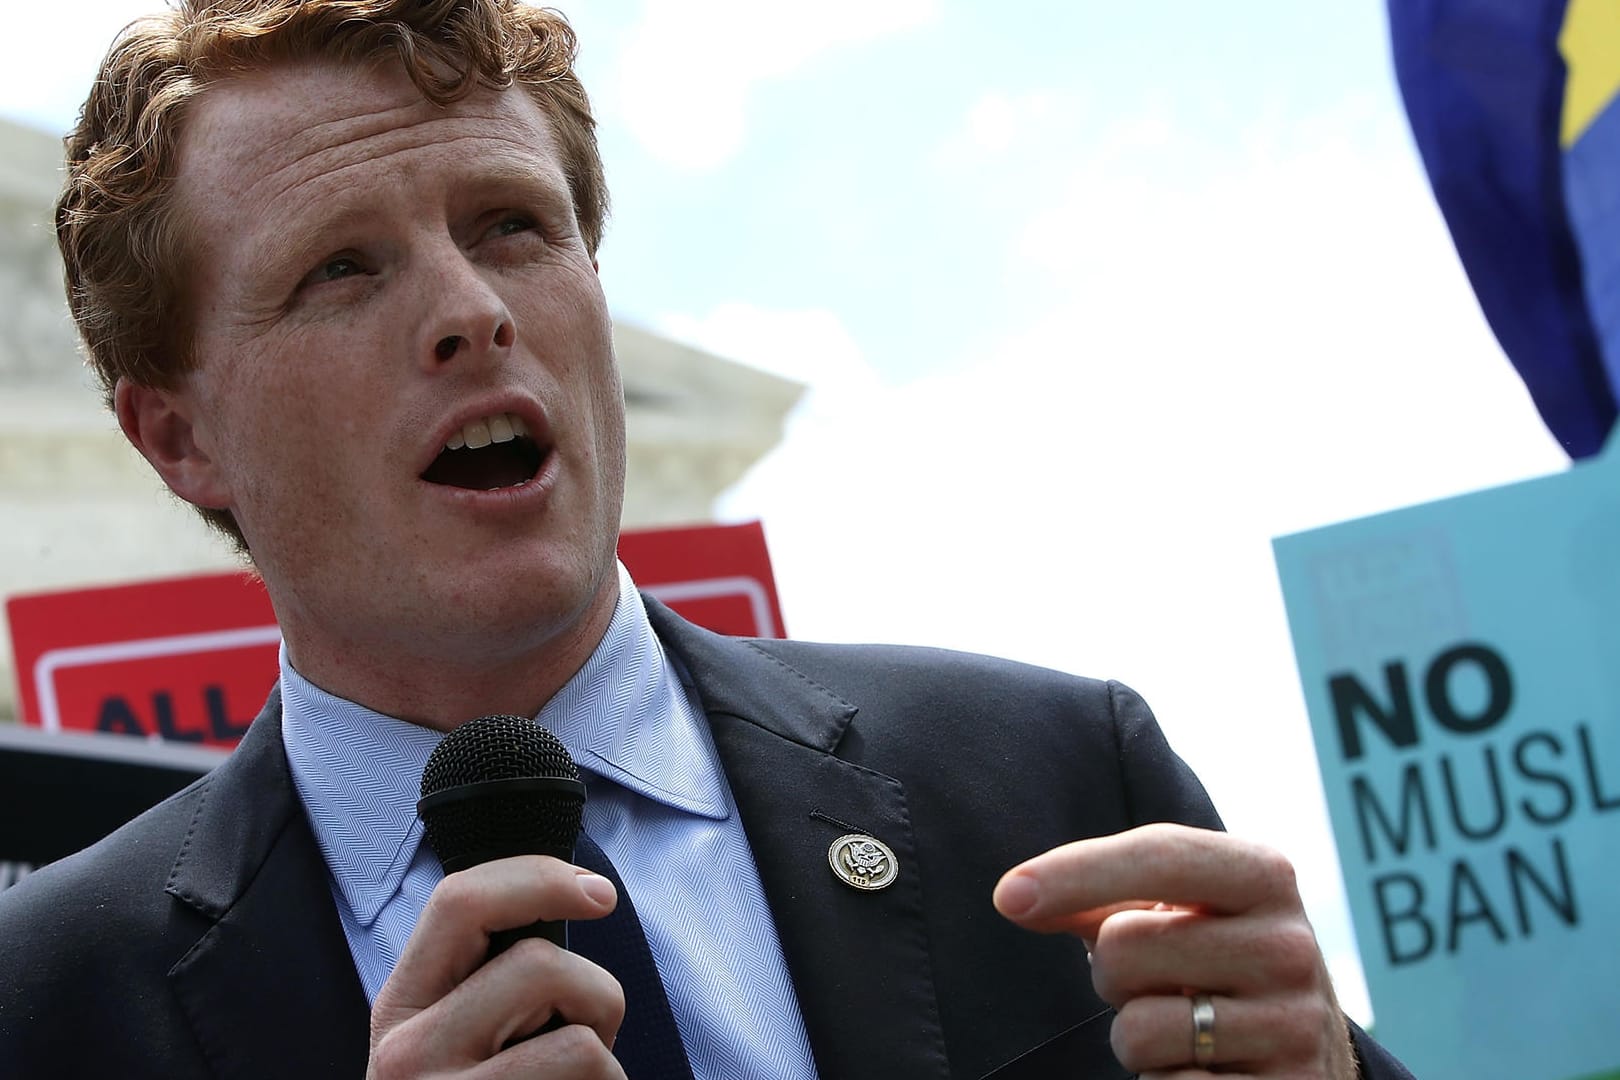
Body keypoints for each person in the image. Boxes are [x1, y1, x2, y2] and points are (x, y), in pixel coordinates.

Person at [0, 2, 1415, 1078]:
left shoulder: (1053, 778)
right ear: (176, 434)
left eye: (511, 227)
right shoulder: (45, 1009)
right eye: (342, 268)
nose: (471, 311)